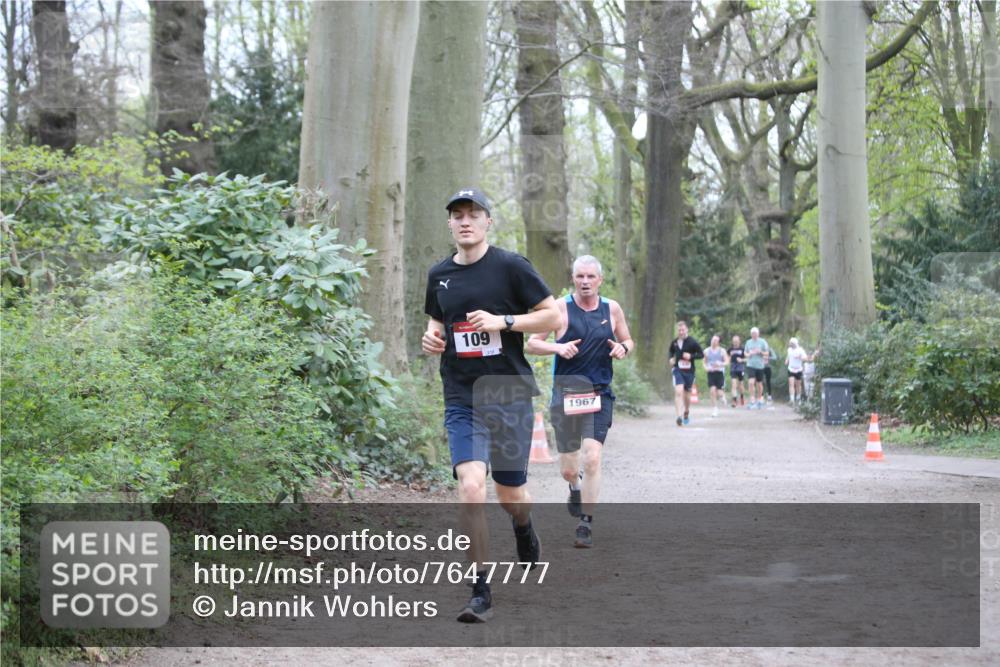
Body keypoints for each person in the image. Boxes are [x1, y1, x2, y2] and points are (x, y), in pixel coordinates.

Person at [422, 187, 561, 623]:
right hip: (463, 395)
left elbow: (553, 317)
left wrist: (505, 321)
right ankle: (479, 590)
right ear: (449, 223)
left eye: (473, 214)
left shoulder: (510, 266)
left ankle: (523, 525)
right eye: (457, 214)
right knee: (469, 487)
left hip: (508, 395)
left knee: (510, 494)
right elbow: (436, 320)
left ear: (487, 222)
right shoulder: (439, 275)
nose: (465, 221)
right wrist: (432, 337)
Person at [526, 255, 634, 549]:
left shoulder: (612, 309)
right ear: (573, 279)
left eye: (590, 277)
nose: (585, 282)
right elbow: (532, 343)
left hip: (599, 392)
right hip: (567, 395)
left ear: (600, 280)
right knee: (569, 468)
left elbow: (628, 341)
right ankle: (574, 486)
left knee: (593, 457)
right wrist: (557, 348)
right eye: (580, 277)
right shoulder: (560, 308)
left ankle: (585, 523)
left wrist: (622, 348)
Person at [668, 321, 703, 426]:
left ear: (687, 330)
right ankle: (678, 416)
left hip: (689, 371)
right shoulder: (674, 342)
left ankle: (686, 411)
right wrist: (670, 359)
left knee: (687, 395)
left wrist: (691, 356)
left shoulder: (692, 342)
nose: (681, 332)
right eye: (679, 330)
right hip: (677, 369)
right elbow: (670, 351)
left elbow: (701, 354)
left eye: (683, 330)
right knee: (679, 391)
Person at [743, 326, 770, 410]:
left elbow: (767, 353)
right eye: (752, 334)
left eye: (755, 333)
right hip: (750, 364)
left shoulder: (762, 342)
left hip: (760, 365)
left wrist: (760, 352)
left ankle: (760, 399)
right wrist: (749, 354)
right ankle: (752, 399)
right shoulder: (748, 342)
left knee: (759, 383)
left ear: (758, 334)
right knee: (751, 382)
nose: (754, 335)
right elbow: (745, 353)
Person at [703, 335, 729, 417]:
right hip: (711, 372)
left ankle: (722, 396)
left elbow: (727, 361)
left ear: (718, 342)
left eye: (715, 340)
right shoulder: (706, 351)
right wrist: (706, 368)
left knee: (719, 392)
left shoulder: (722, 351)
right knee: (712, 390)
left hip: (719, 372)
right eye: (712, 340)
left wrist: (720, 364)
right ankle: (715, 408)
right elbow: (704, 362)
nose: (713, 341)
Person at [786, 337, 816, 405]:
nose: (791, 344)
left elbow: (805, 358)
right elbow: (788, 356)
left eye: (792, 343)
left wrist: (799, 357)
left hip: (798, 369)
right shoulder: (789, 350)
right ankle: (792, 399)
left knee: (798, 385)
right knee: (791, 384)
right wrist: (787, 360)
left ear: (796, 343)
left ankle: (798, 398)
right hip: (790, 369)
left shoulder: (800, 350)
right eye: (790, 343)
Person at [728, 335, 746, 407]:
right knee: (733, 384)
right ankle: (734, 400)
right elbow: (727, 357)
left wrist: (742, 360)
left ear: (739, 341)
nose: (735, 342)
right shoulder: (730, 349)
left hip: (740, 368)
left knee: (740, 384)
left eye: (736, 341)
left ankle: (742, 397)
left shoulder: (742, 349)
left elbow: (747, 358)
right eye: (734, 341)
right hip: (733, 367)